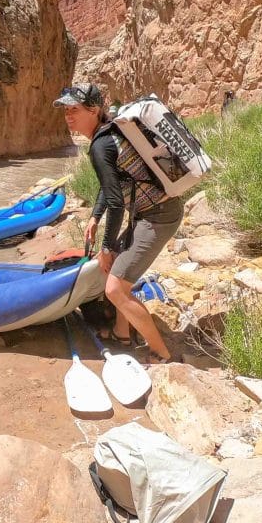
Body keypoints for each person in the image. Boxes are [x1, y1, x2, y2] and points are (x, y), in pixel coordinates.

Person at [54, 83, 185, 362]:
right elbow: (110, 186)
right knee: (117, 271)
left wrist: (106, 246)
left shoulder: (101, 145)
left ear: (94, 110)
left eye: (74, 110)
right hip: (150, 212)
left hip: (158, 216)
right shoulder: (110, 132)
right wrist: (94, 217)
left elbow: (116, 202)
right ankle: (121, 333)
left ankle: (161, 354)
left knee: (114, 287)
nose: (68, 116)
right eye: (65, 110)